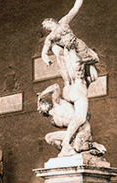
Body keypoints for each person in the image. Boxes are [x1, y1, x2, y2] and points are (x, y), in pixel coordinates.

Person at [40, 0, 99, 157]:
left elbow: (46, 50)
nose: (47, 27)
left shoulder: (61, 51)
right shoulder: (77, 57)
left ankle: (71, 145)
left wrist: (46, 57)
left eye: (47, 25)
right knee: (81, 118)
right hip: (78, 87)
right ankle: (66, 144)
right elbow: (75, 7)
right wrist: (92, 59)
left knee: (81, 119)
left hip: (68, 88)